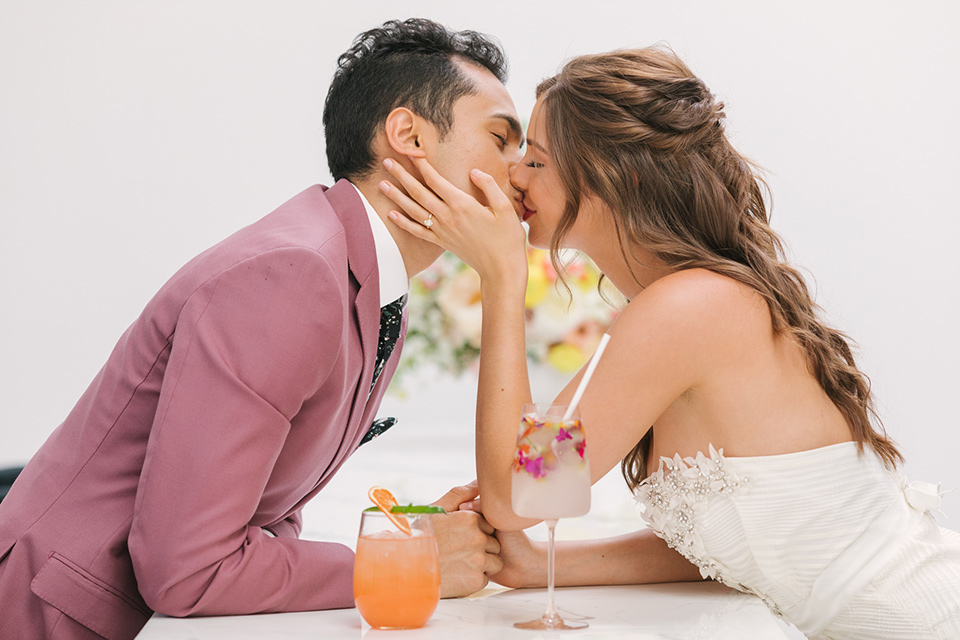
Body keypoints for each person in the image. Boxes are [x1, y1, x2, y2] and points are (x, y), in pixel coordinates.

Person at [380, 46, 960, 638]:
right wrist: (537, 566)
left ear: (620, 175)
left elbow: (518, 496)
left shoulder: (688, 307)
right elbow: (726, 552)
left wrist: (502, 278)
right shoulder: (685, 304)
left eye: (538, 158)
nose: (514, 175)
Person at [0, 18, 524, 640]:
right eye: (501, 140)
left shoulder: (371, 279)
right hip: (53, 617)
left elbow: (267, 508)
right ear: (407, 134)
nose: (521, 173)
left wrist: (406, 537)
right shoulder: (293, 274)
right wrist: (415, 560)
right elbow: (185, 570)